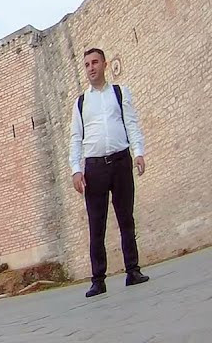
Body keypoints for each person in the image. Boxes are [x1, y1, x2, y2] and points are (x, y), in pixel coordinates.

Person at [69, 47, 149, 298]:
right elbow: (75, 138)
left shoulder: (120, 93)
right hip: (94, 167)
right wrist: (75, 170)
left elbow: (130, 123)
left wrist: (138, 151)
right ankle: (98, 279)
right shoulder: (81, 102)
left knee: (126, 218)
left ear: (104, 64)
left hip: (121, 160)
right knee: (96, 224)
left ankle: (132, 270)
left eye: (95, 62)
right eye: (86, 64)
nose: (91, 67)